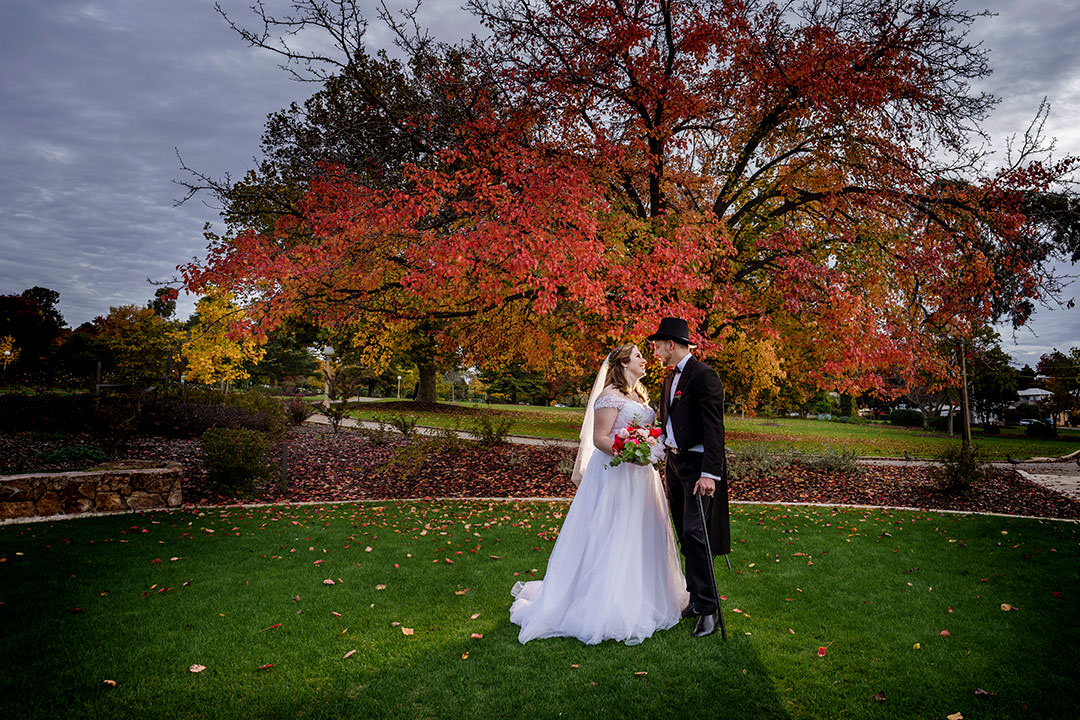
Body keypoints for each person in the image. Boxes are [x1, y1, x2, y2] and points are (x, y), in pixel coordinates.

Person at [509, 344, 688, 645]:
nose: (645, 360)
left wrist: (648, 449)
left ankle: (644, 594)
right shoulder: (610, 395)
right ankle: (607, 601)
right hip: (615, 474)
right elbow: (599, 438)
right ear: (623, 363)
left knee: (641, 533)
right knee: (613, 532)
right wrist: (630, 453)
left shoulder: (640, 396)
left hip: (642, 477)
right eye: (638, 356)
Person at [648, 317, 731, 638]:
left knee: (696, 534)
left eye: (658, 346)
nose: (655, 352)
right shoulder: (669, 378)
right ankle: (696, 599)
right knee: (685, 534)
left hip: (698, 468)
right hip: (674, 464)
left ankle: (710, 610)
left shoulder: (704, 375)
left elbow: (715, 429)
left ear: (671, 344)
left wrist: (710, 474)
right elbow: (668, 423)